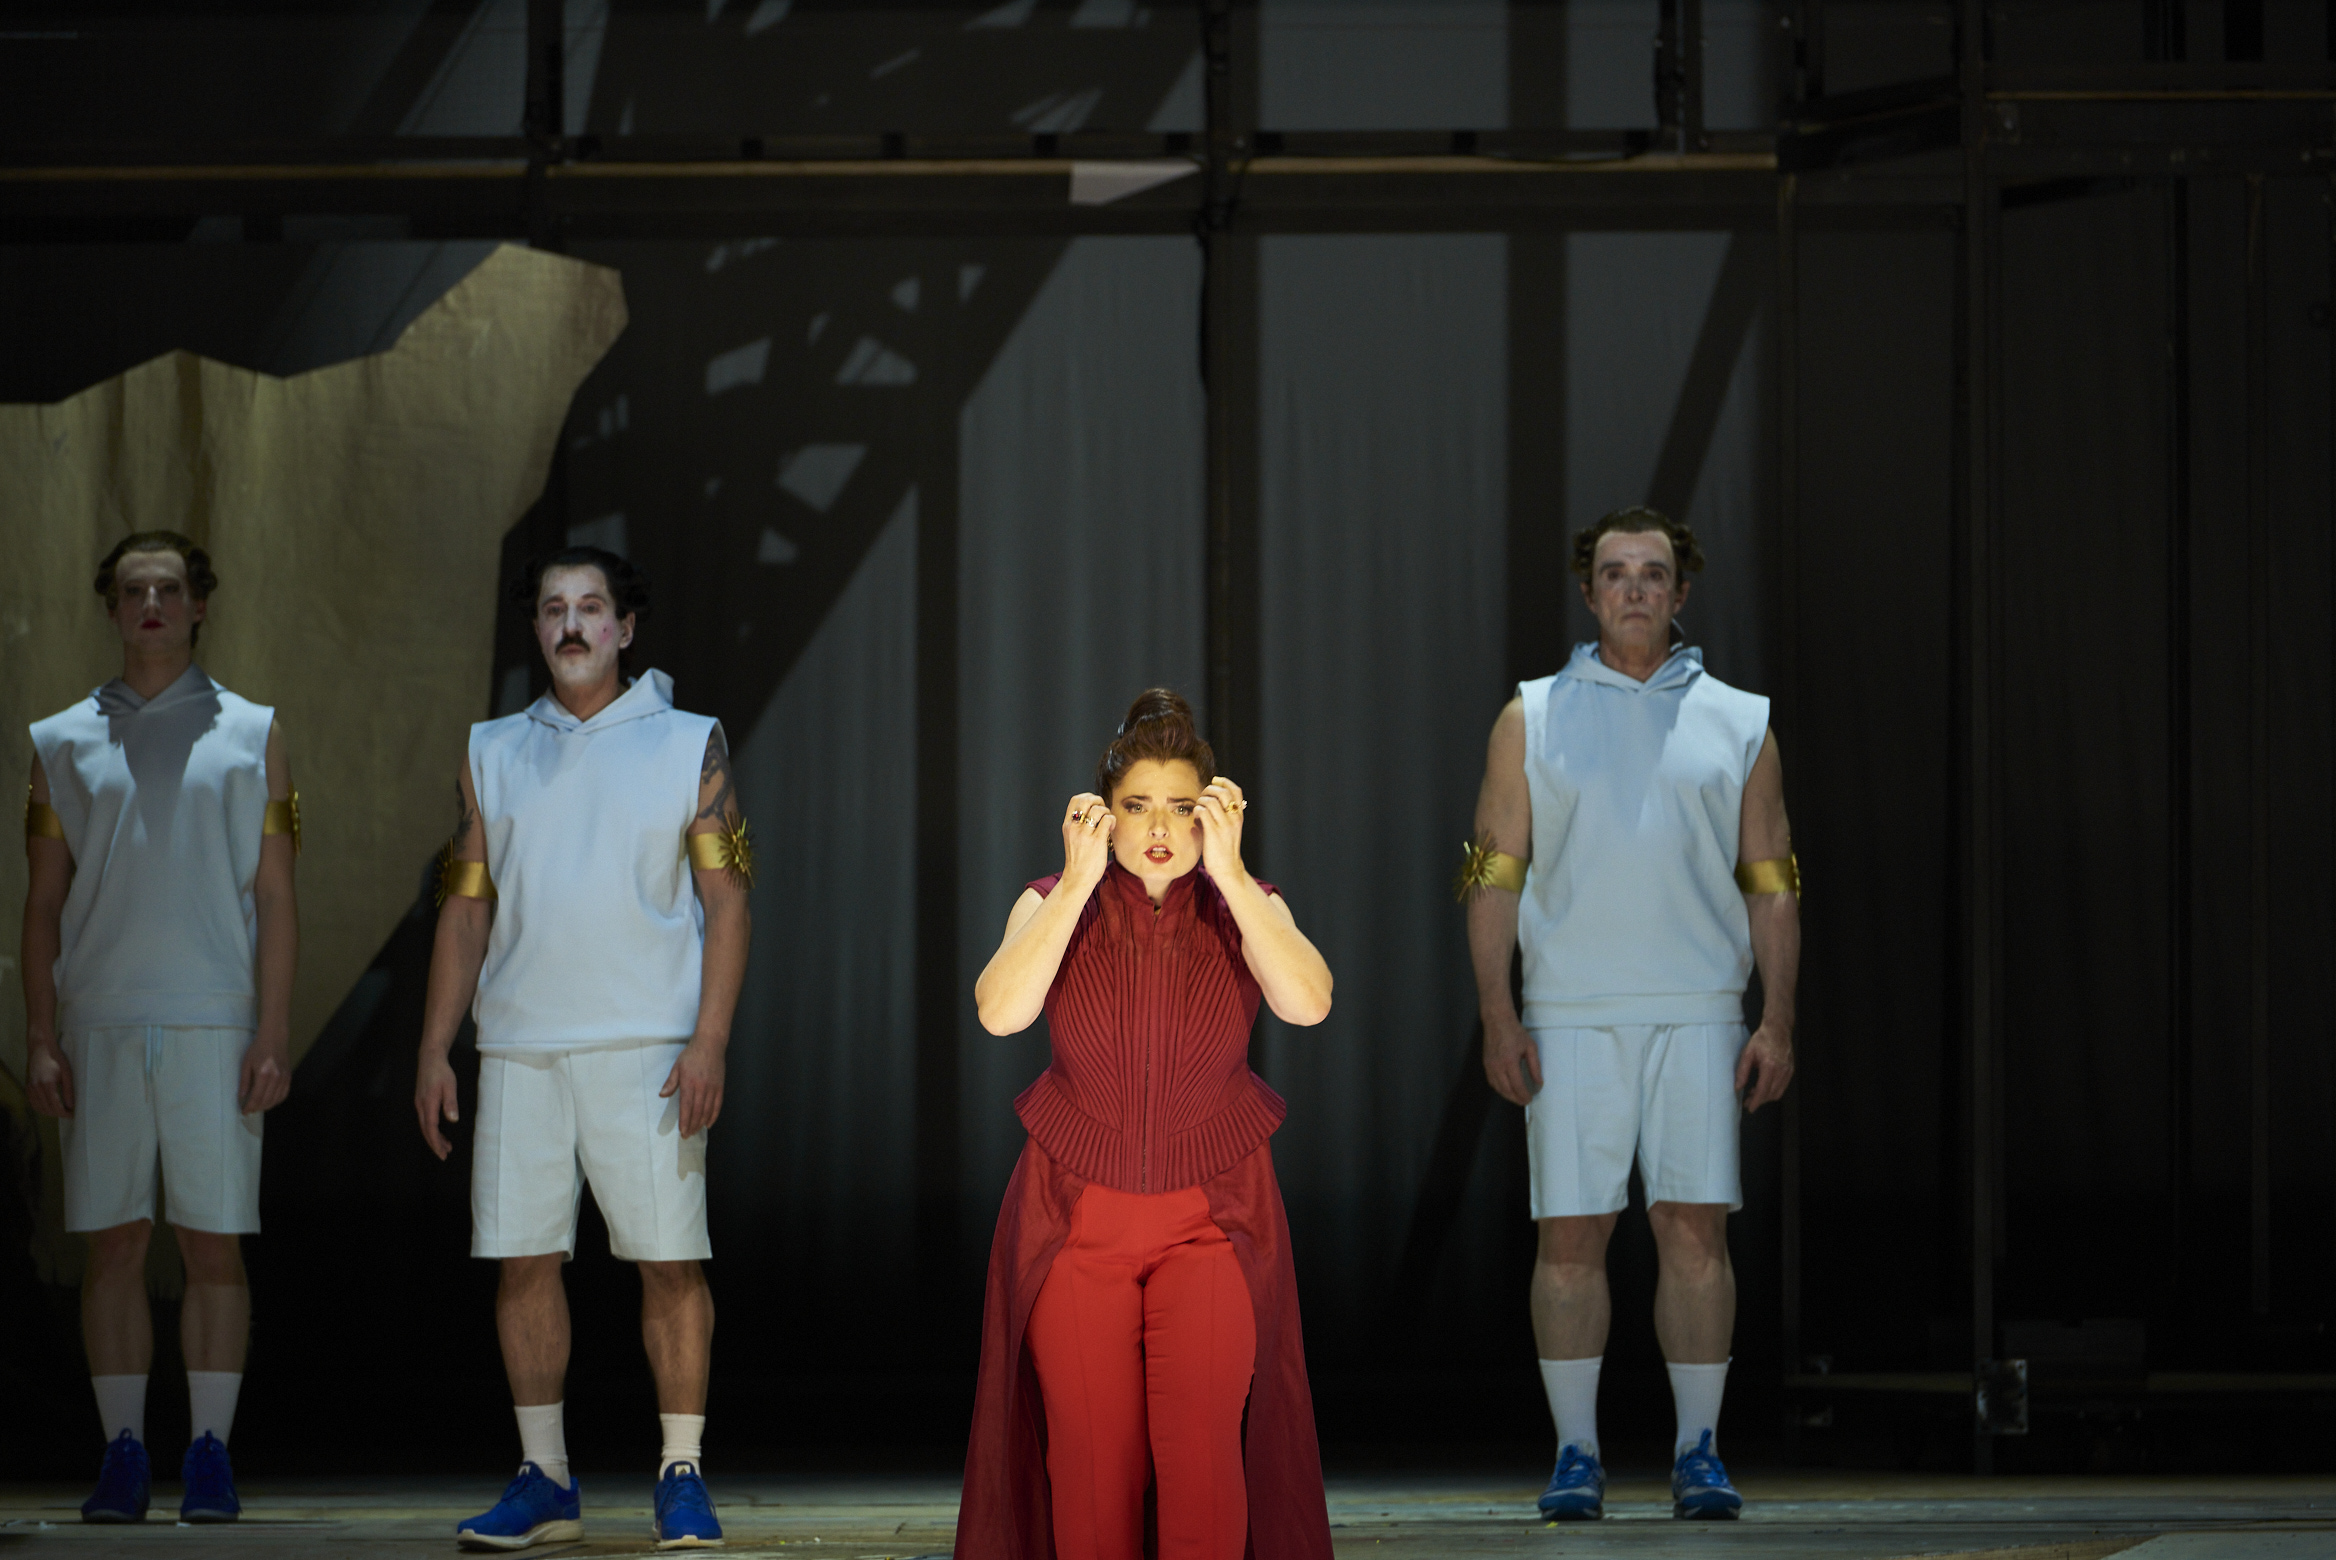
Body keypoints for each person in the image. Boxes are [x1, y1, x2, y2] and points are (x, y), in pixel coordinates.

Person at [1461, 506, 1799, 1522]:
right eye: (1616, 573)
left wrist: (1776, 1020)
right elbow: (1490, 876)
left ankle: (1699, 1452)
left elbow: (1772, 882)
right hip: (1567, 1012)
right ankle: (1576, 1455)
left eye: (1653, 574)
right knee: (1570, 1234)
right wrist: (1498, 1016)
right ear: (1588, 591)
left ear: (1680, 592)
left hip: (1699, 1009)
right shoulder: (1531, 716)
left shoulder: (1740, 720)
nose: (1635, 590)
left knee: (1693, 1231)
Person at [411, 546, 751, 1552]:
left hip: (649, 1046)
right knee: (523, 1260)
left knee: (669, 1262)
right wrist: (435, 1047)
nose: (571, 624)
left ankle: (681, 1472)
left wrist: (710, 1041)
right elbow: (464, 911)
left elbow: (728, 904)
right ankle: (545, 1477)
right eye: (554, 608)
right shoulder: (492, 749)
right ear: (536, 626)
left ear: (624, 627)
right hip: (521, 1044)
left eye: (591, 607)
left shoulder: (686, 741)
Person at [955, 690, 1337, 1560]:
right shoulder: (1053, 899)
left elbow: (1309, 1003)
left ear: (1212, 815)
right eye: (1137, 806)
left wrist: (1231, 875)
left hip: (1212, 1223)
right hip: (1072, 1222)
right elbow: (1000, 1014)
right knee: (1093, 1467)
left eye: (1181, 807)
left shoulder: (1247, 902)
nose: (1160, 827)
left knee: (1204, 1463)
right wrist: (1076, 881)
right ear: (1102, 814)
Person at [21, 532, 299, 1526]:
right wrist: (42, 1033)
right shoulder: (60, 739)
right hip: (100, 1020)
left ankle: (211, 1453)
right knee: (115, 1245)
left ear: (198, 604)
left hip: (215, 1020)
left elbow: (276, 895)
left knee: (213, 1242)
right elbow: (41, 906)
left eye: (168, 589)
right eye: (134, 589)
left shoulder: (252, 730)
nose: (151, 603)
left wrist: (272, 1032)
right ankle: (124, 1454)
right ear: (112, 606)